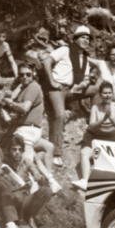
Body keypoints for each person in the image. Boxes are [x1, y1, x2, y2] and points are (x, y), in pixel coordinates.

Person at [42, 26, 98, 167]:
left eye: (87, 38)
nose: (85, 40)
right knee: (60, 115)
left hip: (73, 89)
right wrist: (52, 81)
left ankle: (95, 120)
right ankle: (56, 152)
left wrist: (84, 84)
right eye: (82, 37)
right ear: (75, 39)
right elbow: (47, 61)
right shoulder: (65, 50)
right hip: (57, 89)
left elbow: (85, 77)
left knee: (97, 89)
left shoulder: (85, 57)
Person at [0, 135, 55, 228]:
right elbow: (0, 185)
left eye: (20, 150)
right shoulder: (4, 162)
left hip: (24, 199)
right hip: (9, 199)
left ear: (23, 151)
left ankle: (30, 215)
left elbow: (41, 180)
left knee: (46, 190)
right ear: (9, 151)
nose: (17, 152)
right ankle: (16, 220)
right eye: (14, 149)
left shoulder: (26, 161)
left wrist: (39, 178)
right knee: (17, 195)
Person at [1, 62, 58, 180]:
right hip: (32, 131)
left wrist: (11, 103)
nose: (25, 77)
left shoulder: (33, 87)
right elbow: (13, 95)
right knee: (49, 147)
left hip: (27, 131)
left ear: (33, 74)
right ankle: (49, 179)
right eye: (22, 75)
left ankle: (31, 188)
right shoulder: (24, 87)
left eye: (28, 74)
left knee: (25, 164)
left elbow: (24, 107)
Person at [74, 81, 115, 190]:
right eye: (105, 93)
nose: (107, 95)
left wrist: (111, 117)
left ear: (113, 94)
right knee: (84, 153)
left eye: (110, 93)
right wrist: (103, 119)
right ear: (101, 94)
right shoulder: (95, 107)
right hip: (95, 136)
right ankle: (85, 181)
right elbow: (92, 125)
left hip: (112, 138)